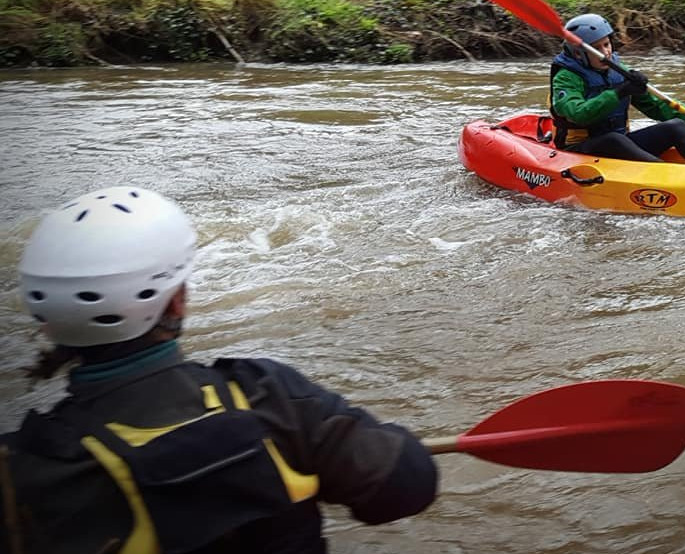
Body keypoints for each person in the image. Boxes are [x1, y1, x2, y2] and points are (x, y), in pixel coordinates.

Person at [1, 186, 437, 554]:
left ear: (47, 322)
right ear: (176, 301)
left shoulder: (22, 471)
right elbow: (407, 487)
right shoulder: (269, 398)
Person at [550, 13, 685, 165]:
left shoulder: (618, 71)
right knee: (612, 139)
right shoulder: (566, 78)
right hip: (580, 149)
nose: (605, 52)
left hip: (621, 144)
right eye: (597, 49)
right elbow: (577, 114)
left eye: (607, 44)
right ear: (579, 54)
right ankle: (664, 173)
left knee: (675, 125)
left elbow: (658, 105)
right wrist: (619, 92)